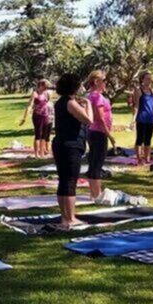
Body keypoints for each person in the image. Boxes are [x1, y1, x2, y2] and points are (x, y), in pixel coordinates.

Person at [52, 73, 93, 229]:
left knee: (63, 180)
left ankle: (65, 217)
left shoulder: (60, 102)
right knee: (70, 181)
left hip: (60, 144)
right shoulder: (70, 103)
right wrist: (88, 104)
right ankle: (70, 219)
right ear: (74, 87)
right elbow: (88, 120)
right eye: (79, 84)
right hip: (70, 145)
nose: (81, 87)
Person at [85, 70, 116, 199]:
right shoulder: (96, 96)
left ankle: (93, 193)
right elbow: (100, 118)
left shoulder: (91, 95)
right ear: (96, 81)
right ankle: (97, 194)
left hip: (94, 132)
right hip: (99, 133)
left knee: (93, 163)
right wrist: (110, 136)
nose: (106, 83)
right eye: (104, 81)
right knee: (97, 164)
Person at [129, 71, 153, 165]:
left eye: (150, 78)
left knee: (148, 139)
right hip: (141, 118)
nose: (149, 80)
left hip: (150, 119)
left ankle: (147, 158)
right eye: (147, 78)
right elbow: (136, 106)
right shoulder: (139, 91)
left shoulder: (152, 91)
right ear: (142, 80)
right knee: (139, 139)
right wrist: (133, 120)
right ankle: (139, 159)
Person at [20, 79, 53, 158]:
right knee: (38, 134)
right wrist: (24, 117)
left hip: (46, 116)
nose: (46, 88)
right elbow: (29, 105)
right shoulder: (35, 94)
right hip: (37, 116)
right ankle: (36, 154)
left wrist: (50, 115)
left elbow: (48, 103)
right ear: (41, 85)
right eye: (45, 87)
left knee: (44, 135)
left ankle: (42, 153)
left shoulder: (46, 93)